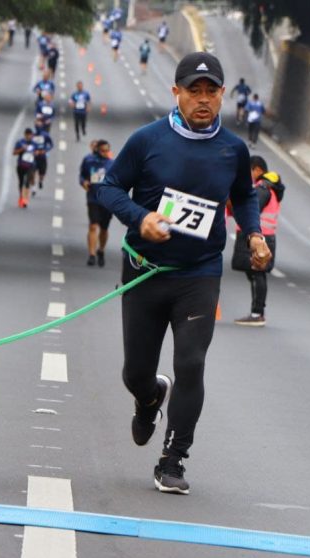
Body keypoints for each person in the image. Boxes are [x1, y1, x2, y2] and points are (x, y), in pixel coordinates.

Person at [96, 52, 271, 495]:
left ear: (222, 96)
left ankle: (173, 458)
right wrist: (141, 219)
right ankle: (150, 394)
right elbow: (109, 188)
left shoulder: (233, 149)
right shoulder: (147, 140)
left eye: (212, 91)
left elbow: (244, 197)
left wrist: (252, 235)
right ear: (176, 93)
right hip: (145, 270)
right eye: (194, 91)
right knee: (135, 371)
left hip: (199, 274)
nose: (203, 100)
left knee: (191, 364)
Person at [231, 155, 284, 327]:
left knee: (257, 273)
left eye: (249, 171)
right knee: (253, 273)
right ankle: (256, 311)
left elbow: (252, 209)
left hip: (260, 237)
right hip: (262, 236)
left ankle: (257, 313)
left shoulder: (263, 188)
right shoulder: (268, 187)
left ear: (258, 170)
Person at [80, 139, 114, 267]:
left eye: (107, 150)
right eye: (103, 151)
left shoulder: (113, 164)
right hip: (93, 198)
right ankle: (92, 254)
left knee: (104, 229)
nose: (105, 153)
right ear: (97, 150)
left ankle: (101, 250)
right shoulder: (89, 161)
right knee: (93, 226)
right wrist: (84, 182)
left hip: (107, 200)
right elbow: (82, 176)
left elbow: (120, 180)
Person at [13, 128, 37, 208]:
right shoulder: (20, 142)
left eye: (31, 135)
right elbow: (14, 153)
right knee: (21, 182)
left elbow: (37, 153)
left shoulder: (34, 144)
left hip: (30, 165)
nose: (30, 137)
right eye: (28, 135)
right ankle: (21, 196)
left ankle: (25, 200)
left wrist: (35, 153)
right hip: (21, 165)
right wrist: (22, 149)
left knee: (27, 182)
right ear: (25, 135)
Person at [32, 117, 54, 193]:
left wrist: (45, 150)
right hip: (34, 157)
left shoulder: (45, 135)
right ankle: (34, 187)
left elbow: (51, 145)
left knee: (42, 173)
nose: (38, 124)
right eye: (36, 122)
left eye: (39, 122)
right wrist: (33, 151)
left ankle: (40, 181)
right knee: (33, 172)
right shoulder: (32, 135)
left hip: (42, 157)